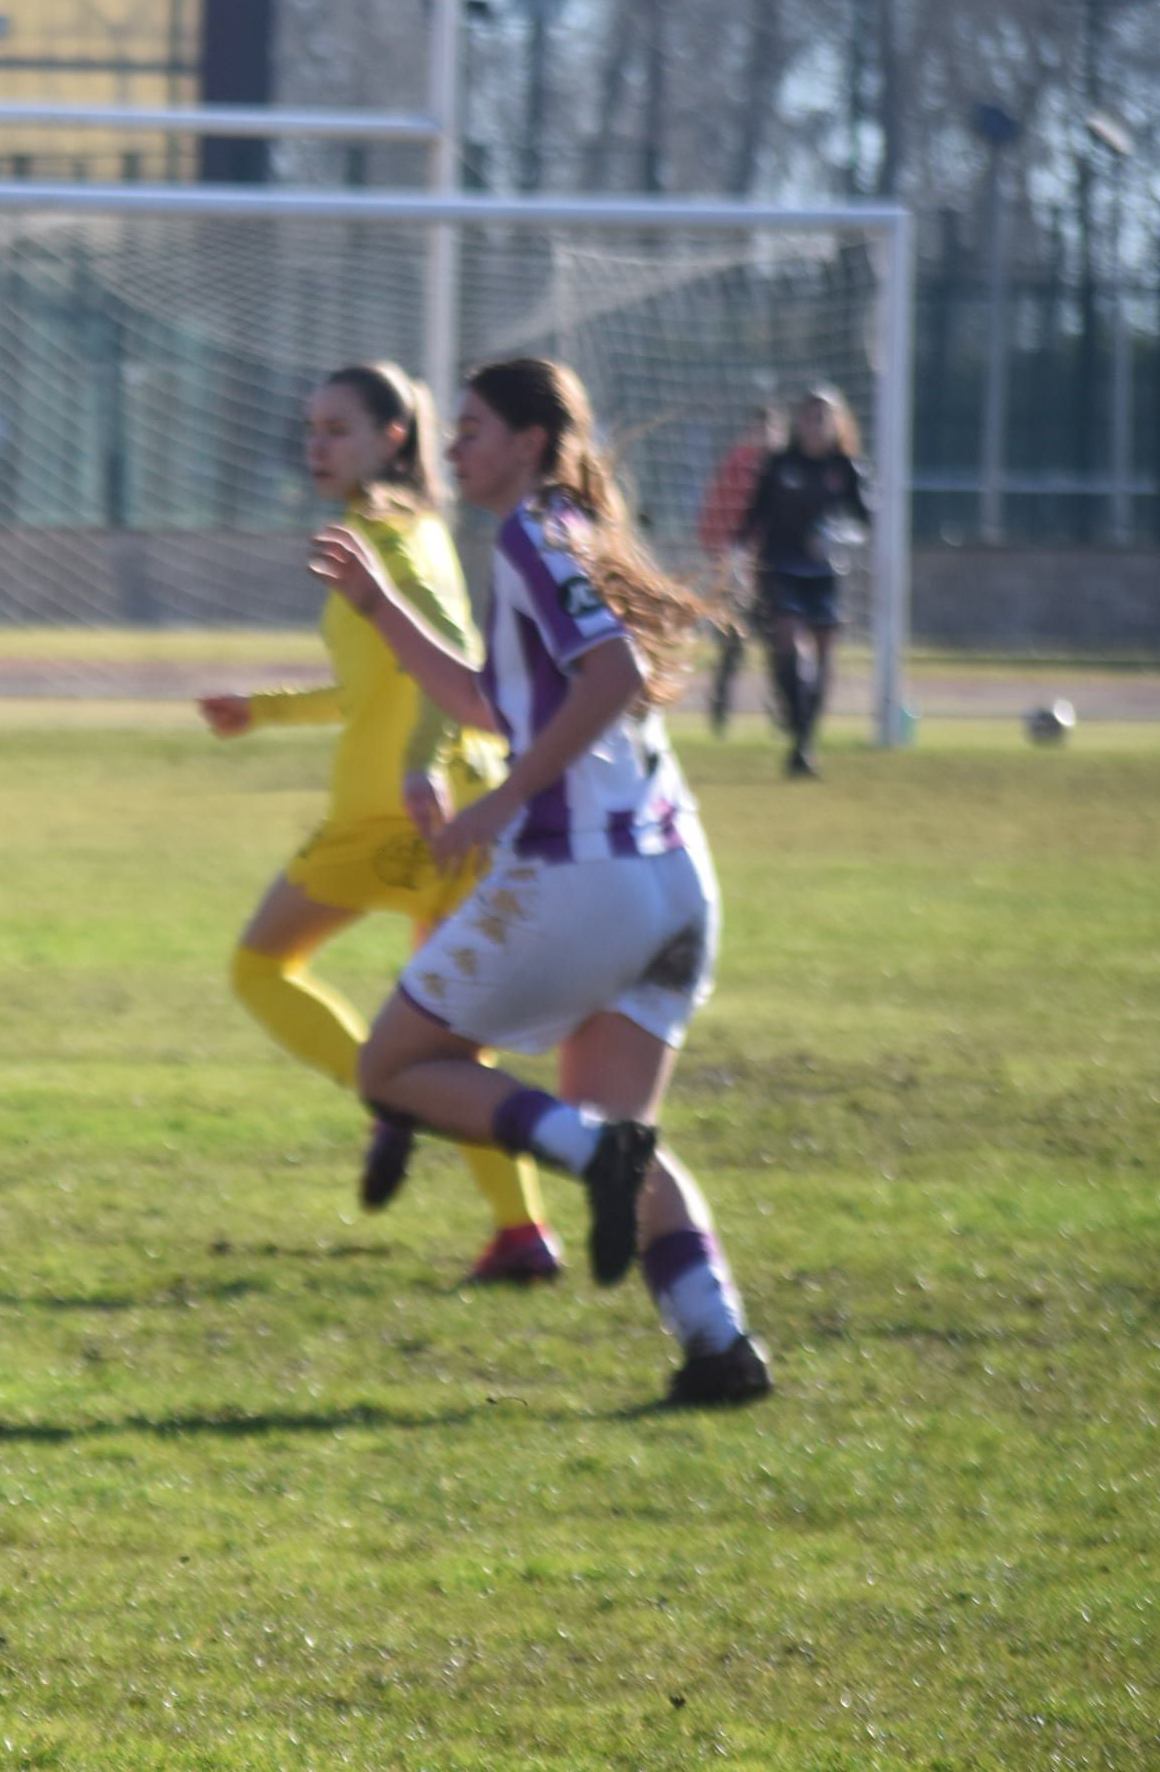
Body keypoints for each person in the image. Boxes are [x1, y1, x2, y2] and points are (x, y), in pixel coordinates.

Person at [307, 356, 772, 1407]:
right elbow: (491, 697)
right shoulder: (562, 532)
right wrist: (383, 610)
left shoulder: (533, 535)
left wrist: (500, 801)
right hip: (675, 883)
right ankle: (718, 1342)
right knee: (621, 1133)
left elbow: (605, 675)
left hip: (588, 875)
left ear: (525, 440)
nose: (455, 444)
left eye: (470, 426)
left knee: (390, 1065)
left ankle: (589, 1158)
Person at [198, 363, 561, 1285]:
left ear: (392, 438)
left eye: (339, 429)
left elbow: (454, 654)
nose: (316, 445)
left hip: (382, 814)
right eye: (310, 428)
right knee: (456, 1048)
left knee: (260, 965)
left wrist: (414, 768)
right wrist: (267, 710)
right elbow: (384, 681)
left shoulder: (380, 536)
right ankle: (522, 1235)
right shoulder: (423, 528)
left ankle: (384, 1095)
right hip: (454, 812)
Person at [740, 387, 871, 777]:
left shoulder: (846, 469)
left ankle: (804, 743)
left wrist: (839, 536)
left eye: (823, 418)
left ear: (837, 424)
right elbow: (754, 515)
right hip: (781, 569)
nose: (815, 425)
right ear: (798, 422)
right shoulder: (780, 465)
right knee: (791, 648)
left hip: (825, 575)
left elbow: (864, 521)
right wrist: (735, 555)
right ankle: (793, 717)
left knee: (824, 656)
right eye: (809, 416)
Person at [693, 405, 775, 737]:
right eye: (759, 428)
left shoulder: (781, 466)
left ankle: (784, 712)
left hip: (773, 566)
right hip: (737, 564)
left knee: (778, 644)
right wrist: (722, 558)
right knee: (732, 642)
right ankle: (720, 709)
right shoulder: (738, 464)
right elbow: (716, 512)